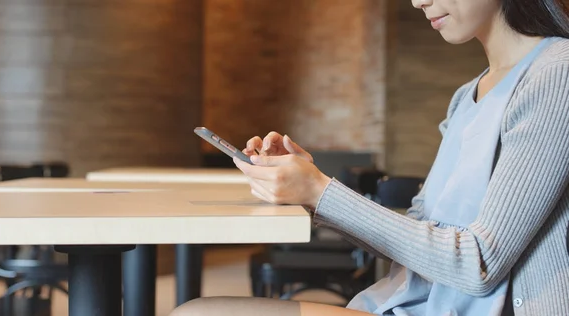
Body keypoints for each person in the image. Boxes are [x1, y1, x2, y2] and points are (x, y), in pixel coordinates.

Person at [171, 0, 569, 315]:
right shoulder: (467, 96)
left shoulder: (557, 73)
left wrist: (321, 191)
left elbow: (478, 263)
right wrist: (311, 190)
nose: (418, 1)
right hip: (409, 304)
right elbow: (418, 230)